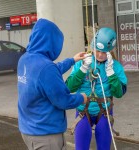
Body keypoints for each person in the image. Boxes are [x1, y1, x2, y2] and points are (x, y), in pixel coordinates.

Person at [17, 18, 88, 150]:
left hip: (28, 129)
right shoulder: (46, 68)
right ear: (52, 42)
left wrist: (72, 60)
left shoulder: (25, 59)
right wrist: (82, 97)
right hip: (45, 134)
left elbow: (46, 75)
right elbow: (63, 100)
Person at [65, 27, 128, 150]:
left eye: (104, 52)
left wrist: (111, 73)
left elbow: (119, 93)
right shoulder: (82, 62)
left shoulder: (115, 67)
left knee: (104, 146)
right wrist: (83, 69)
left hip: (104, 112)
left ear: (110, 51)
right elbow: (69, 87)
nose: (100, 54)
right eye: (97, 50)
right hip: (83, 111)